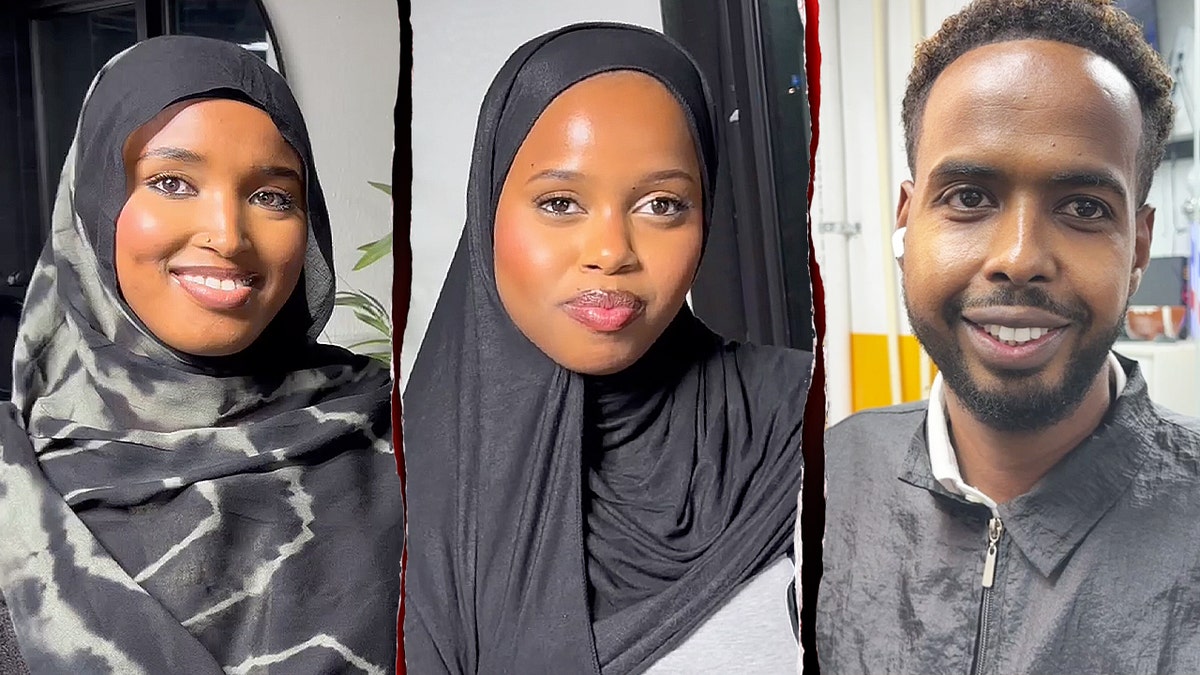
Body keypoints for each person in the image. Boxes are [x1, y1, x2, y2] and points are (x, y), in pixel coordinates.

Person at [402, 22, 813, 675]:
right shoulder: (389, 493)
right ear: (488, 211)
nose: (611, 251)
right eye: (561, 201)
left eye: (662, 205)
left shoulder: (805, 417)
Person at [818, 0, 1200, 672]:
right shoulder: (821, 483)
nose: (1020, 257)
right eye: (969, 196)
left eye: (1083, 208)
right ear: (909, 221)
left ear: (1138, 247)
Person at [0, 36, 402, 674]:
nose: (228, 234)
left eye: (272, 195)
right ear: (95, 203)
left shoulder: (404, 437)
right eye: (172, 182)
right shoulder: (15, 478)